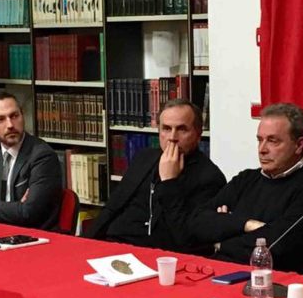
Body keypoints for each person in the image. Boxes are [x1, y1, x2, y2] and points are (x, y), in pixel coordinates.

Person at [189, 103, 303, 273]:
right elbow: (196, 224)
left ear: (299, 145)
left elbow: (277, 246)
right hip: (219, 271)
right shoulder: (246, 179)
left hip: (276, 281)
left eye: (273, 141)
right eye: (260, 140)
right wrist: (246, 224)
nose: (262, 149)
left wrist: (219, 241)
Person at [87, 99, 226, 253]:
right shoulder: (144, 157)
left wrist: (169, 182)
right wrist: (84, 243)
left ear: (198, 134)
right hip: (113, 245)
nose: (172, 137)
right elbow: (112, 208)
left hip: (159, 256)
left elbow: (186, 239)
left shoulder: (210, 177)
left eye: (182, 129)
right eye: (166, 128)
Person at [0, 89, 62, 230]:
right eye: (0, 119)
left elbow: (28, 213)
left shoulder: (42, 156)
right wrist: (14, 208)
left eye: (14, 116)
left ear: (22, 115)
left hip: (34, 236)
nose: (10, 125)